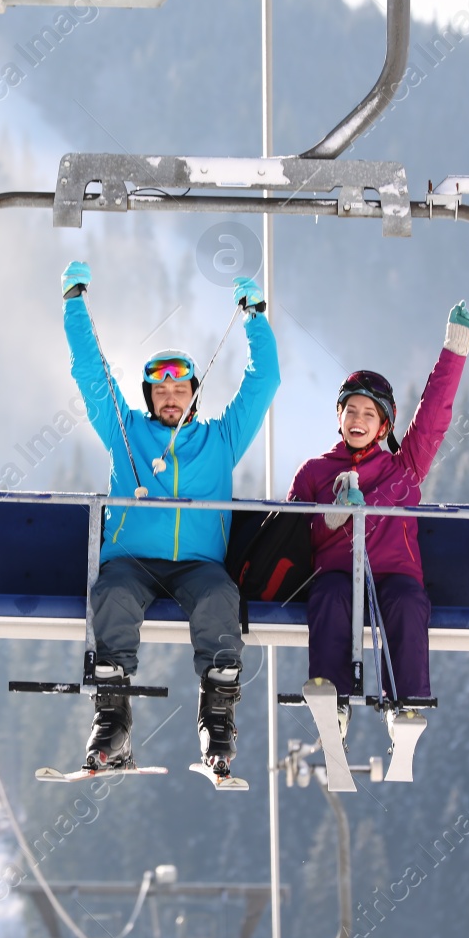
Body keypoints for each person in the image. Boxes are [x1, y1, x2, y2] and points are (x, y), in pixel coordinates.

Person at [61, 260, 280, 775]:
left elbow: (263, 382)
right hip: (133, 561)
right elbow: (91, 372)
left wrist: (255, 318)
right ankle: (112, 717)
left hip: (197, 563)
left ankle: (218, 716)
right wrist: (74, 304)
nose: (170, 399)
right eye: (161, 391)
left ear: (194, 396)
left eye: (180, 390)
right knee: (111, 594)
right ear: (149, 397)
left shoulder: (220, 440)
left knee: (220, 598)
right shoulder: (125, 430)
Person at [285, 302, 469, 730]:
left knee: (408, 602)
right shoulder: (315, 472)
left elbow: (432, 420)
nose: (357, 420)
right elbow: (290, 538)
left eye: (368, 414)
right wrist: (330, 519)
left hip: (393, 573)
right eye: (350, 411)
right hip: (335, 574)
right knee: (330, 595)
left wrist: (454, 351)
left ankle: (405, 703)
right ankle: (333, 699)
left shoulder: (402, 469)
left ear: (384, 427)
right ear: (339, 417)